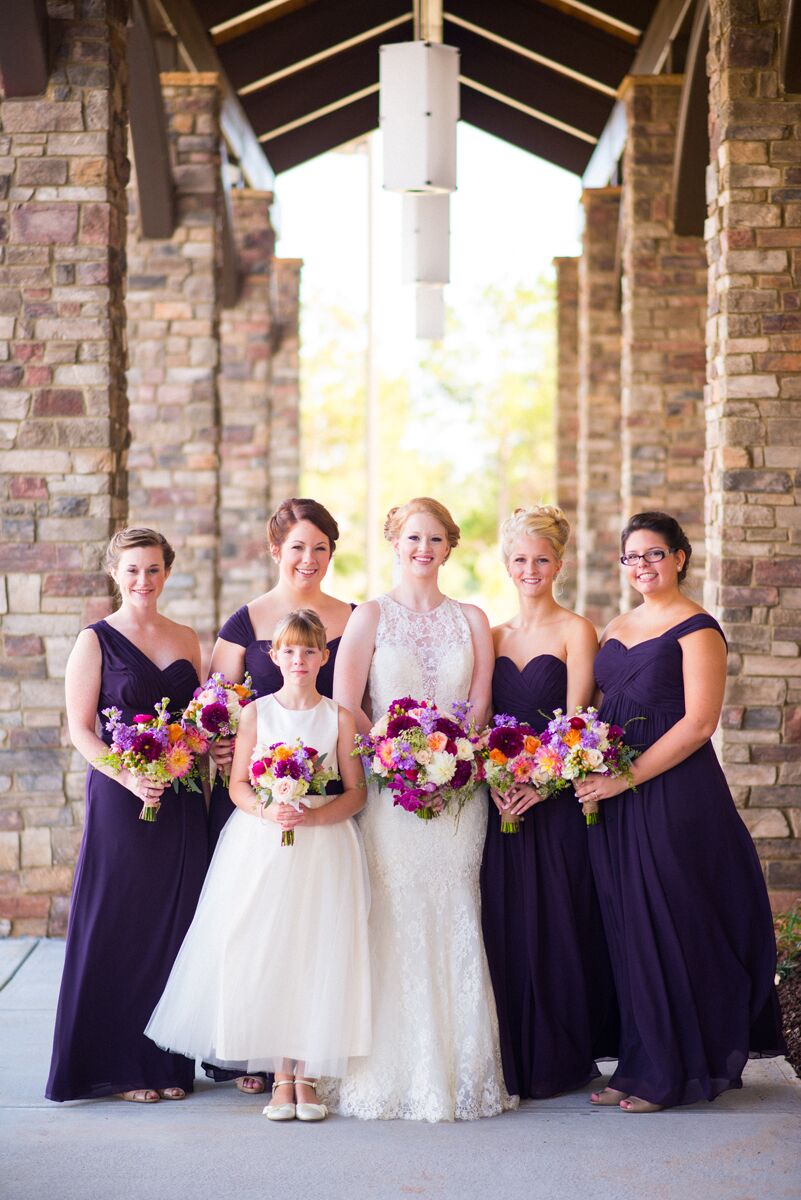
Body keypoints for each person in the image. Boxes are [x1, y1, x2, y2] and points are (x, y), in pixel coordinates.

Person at [574, 511, 785, 1113]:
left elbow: (698, 723)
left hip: (672, 796)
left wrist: (623, 779)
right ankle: (635, 1064)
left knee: (669, 924)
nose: (642, 566)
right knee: (627, 929)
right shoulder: (618, 624)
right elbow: (593, 709)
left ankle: (671, 1072)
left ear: (680, 557)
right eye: (632, 557)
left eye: (654, 554)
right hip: (611, 801)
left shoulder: (698, 630)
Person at [331, 498, 515, 1121]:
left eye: (435, 539)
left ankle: (460, 1072)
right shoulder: (369, 617)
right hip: (390, 796)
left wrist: (453, 763)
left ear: (450, 546)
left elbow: (481, 703)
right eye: (413, 537)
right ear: (394, 540)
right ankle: (390, 1072)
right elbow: (347, 703)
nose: (423, 549)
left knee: (456, 909)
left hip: (460, 799)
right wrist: (392, 757)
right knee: (395, 914)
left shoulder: (472, 618)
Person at [145, 609, 370, 1122]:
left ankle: (308, 1073)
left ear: (324, 657)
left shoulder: (337, 718)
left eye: (309, 651)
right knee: (271, 948)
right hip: (263, 842)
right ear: (274, 656)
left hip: (323, 846)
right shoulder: (256, 714)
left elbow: (356, 792)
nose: (299, 660)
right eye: (289, 651)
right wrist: (271, 810)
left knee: (316, 951)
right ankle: (280, 1076)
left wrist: (314, 818)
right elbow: (237, 785)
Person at [46, 528, 207, 1103]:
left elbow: (205, 721)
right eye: (133, 570)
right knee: (121, 919)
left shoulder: (188, 638)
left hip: (183, 797)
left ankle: (164, 1065)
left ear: (168, 572)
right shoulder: (95, 641)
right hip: (122, 795)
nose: (144, 580)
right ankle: (117, 1066)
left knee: (175, 923)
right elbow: (81, 730)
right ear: (115, 572)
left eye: (155, 569)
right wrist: (129, 774)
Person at [205, 498, 353, 1094]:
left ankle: (307, 1056)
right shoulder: (246, 622)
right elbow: (214, 705)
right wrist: (221, 747)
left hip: (329, 801)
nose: (309, 559)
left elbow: (364, 701)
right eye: (297, 547)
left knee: (316, 930)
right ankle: (263, 1054)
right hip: (261, 805)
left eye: (320, 548)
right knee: (259, 928)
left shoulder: (355, 616)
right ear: (275, 550)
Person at [480, 506, 618, 1099]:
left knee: (558, 921)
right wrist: (494, 782)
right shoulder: (491, 635)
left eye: (541, 559)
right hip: (502, 801)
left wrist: (542, 784)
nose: (530, 569)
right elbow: (479, 721)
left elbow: (579, 722)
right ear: (506, 565)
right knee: (502, 921)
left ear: (558, 564)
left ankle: (558, 1058)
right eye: (519, 559)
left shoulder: (575, 630)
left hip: (557, 803)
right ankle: (511, 1055)